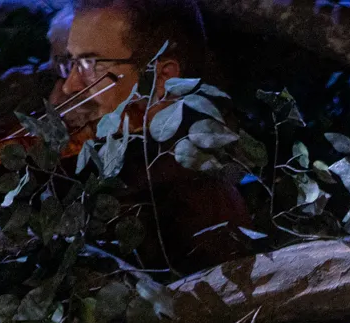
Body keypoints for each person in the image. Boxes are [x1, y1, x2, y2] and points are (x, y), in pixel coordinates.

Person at [50, 0, 254, 271]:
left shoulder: (201, 204)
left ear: (163, 77)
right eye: (71, 64)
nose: (69, 86)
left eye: (91, 65)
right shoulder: (96, 165)